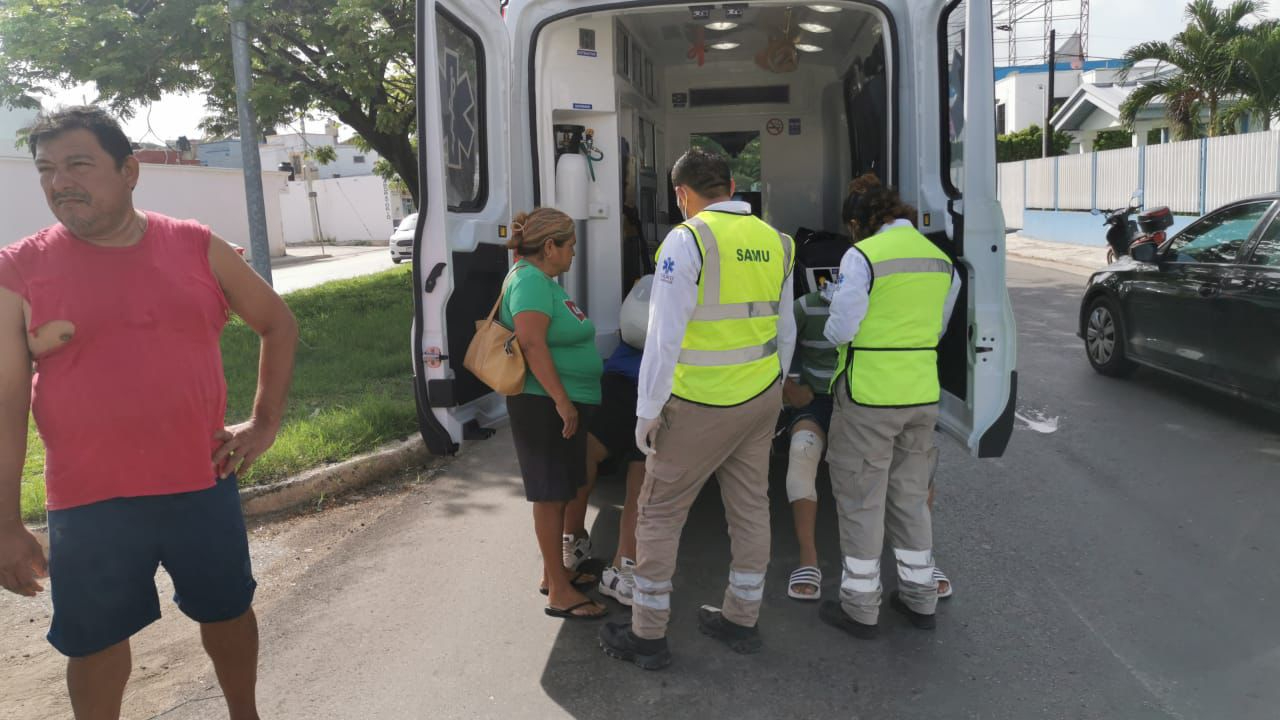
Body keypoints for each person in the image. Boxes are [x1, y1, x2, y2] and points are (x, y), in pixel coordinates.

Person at [0, 106, 298, 719]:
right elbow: (4, 403)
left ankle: (246, 713)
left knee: (227, 613)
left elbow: (277, 322)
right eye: (47, 169)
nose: (60, 182)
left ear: (130, 170)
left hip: (201, 482)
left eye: (79, 163)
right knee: (96, 645)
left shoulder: (196, 245)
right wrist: (4, 521)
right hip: (88, 503)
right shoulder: (18, 270)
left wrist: (264, 423)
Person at [599, 149, 796, 670]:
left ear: (681, 194)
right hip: (759, 400)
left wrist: (647, 411)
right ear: (733, 186)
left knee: (659, 514)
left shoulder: (686, 241)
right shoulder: (779, 242)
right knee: (751, 509)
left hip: (698, 406)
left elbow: (663, 337)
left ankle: (648, 634)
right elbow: (786, 329)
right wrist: (775, 388)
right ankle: (741, 618)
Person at [818, 179, 962, 640]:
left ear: (860, 223)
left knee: (862, 499)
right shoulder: (941, 261)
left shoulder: (861, 257)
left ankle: (861, 607)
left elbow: (841, 330)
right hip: (921, 393)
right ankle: (920, 598)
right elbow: (937, 328)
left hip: (869, 395)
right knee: (911, 495)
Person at [500, 207, 608, 621]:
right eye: (570, 246)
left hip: (555, 402)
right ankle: (559, 592)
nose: (574, 254)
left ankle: (555, 573)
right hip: (542, 404)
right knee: (549, 495)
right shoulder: (529, 281)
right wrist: (563, 401)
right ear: (550, 247)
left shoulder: (539, 280)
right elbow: (532, 344)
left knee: (563, 485)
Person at [780, 277, 839, 601]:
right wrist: (789, 386)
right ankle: (808, 557)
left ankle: (921, 559)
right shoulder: (806, 306)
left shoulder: (878, 304)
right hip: (816, 398)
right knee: (801, 456)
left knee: (908, 464)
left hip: (860, 400)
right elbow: (777, 340)